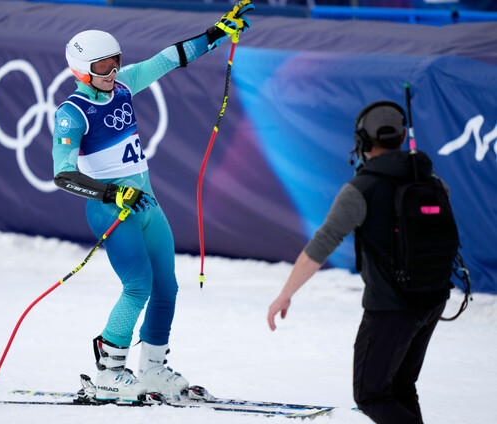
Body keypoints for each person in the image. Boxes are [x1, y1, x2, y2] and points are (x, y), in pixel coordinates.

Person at [52, 2, 254, 402]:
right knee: (137, 286)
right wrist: (111, 193)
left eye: (115, 62)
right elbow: (63, 174)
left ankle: (153, 367)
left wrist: (215, 34)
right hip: (112, 210)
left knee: (167, 288)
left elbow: (166, 60)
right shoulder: (72, 113)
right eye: (102, 67)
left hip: (146, 205)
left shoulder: (124, 85)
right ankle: (109, 373)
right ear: (81, 71)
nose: (112, 72)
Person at [266, 101, 452, 424]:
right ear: (402, 136)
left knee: (371, 395)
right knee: (401, 387)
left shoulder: (361, 190)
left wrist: (285, 294)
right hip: (434, 299)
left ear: (362, 141)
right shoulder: (433, 181)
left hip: (392, 306)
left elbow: (320, 246)